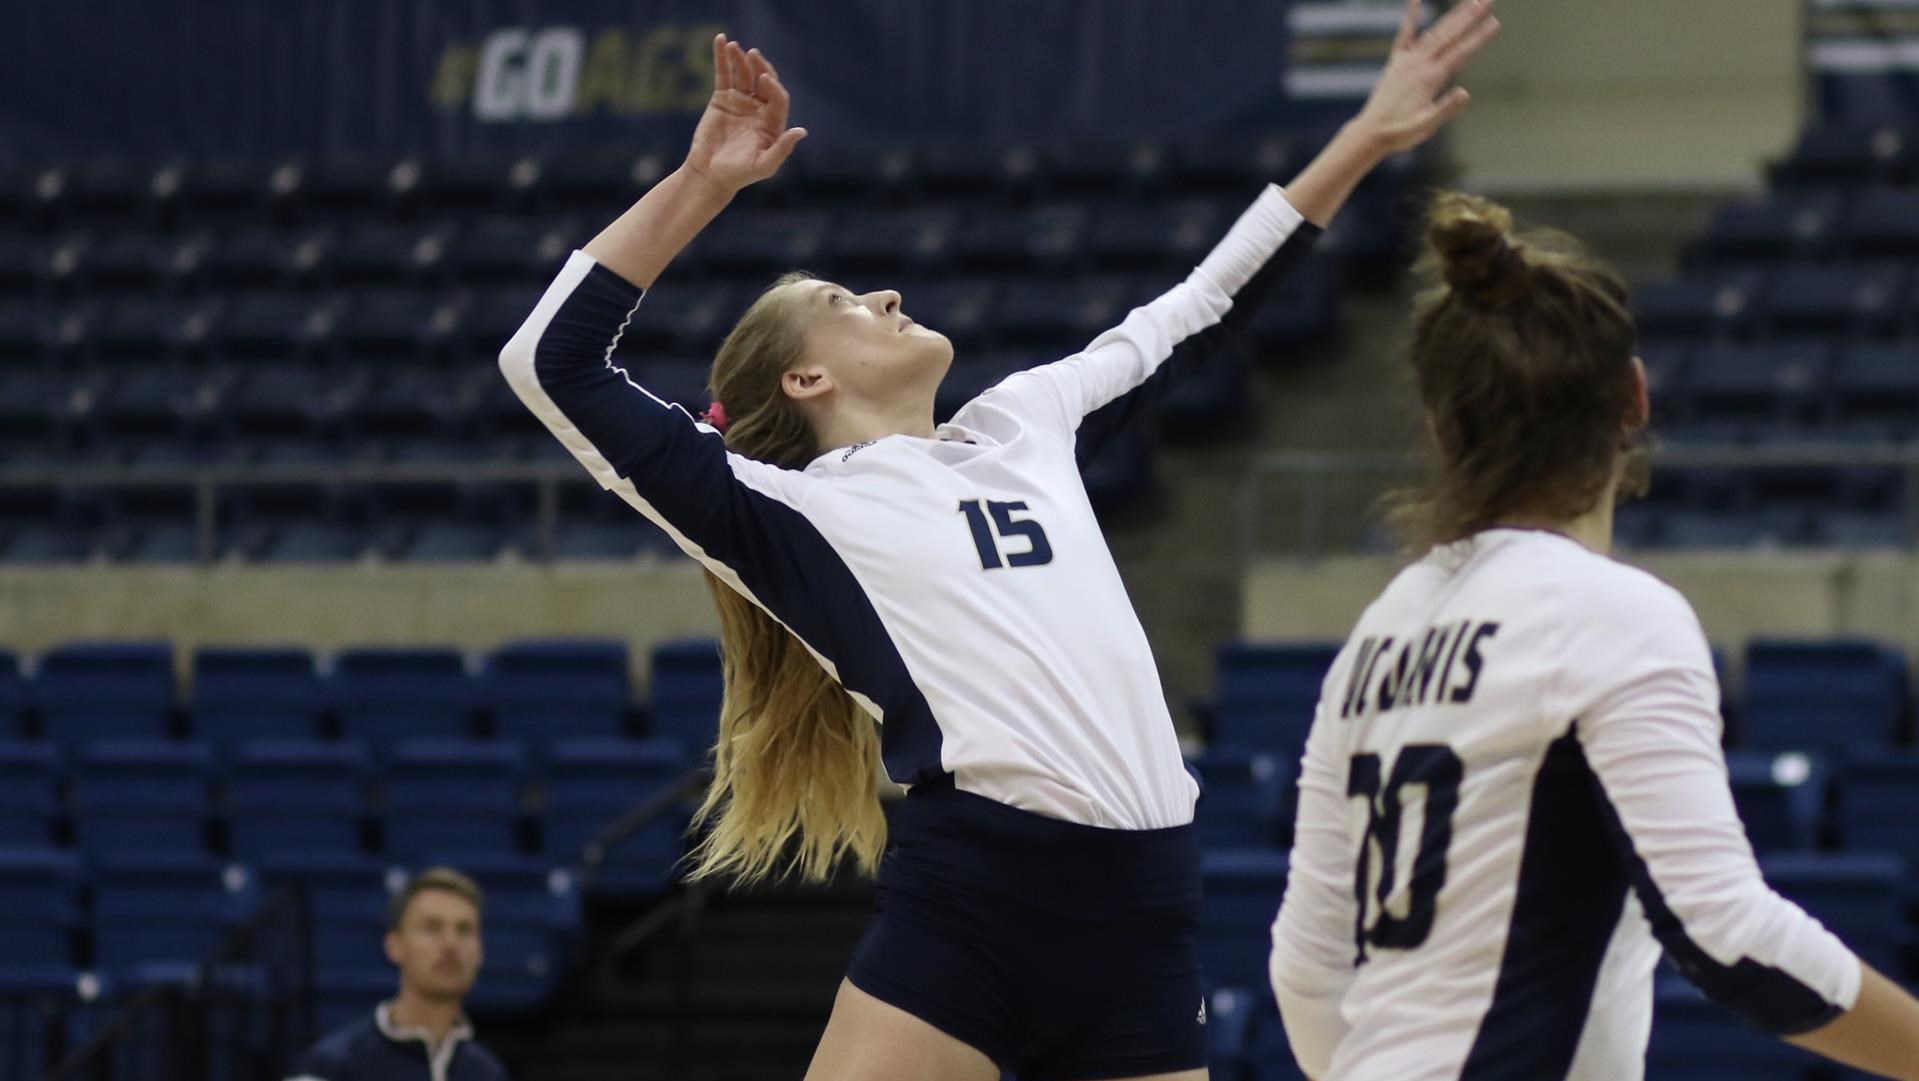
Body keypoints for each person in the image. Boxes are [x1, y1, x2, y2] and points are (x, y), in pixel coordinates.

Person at [499, 3, 1499, 1077]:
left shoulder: (1028, 419)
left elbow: (1204, 300)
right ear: (805, 379)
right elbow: (550, 361)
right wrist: (703, 181)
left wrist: (1364, 135)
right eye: (842, 300)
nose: (886, 293)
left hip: (1145, 905)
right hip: (982, 896)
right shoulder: (782, 511)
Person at [1267, 191, 1919, 1081]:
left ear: (1437, 427)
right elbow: (1725, 935)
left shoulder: (1377, 633)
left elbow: (1304, 972)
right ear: (1633, 396)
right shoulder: (1613, 616)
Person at [285, 868, 508, 1081]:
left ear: (480, 951)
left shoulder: (487, 1073)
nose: (451, 944)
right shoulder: (332, 1065)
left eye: (464, 930)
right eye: (432, 927)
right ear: (394, 945)